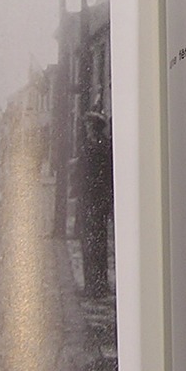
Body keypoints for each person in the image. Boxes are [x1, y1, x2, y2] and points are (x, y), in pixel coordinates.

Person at [75, 111, 114, 298]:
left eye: (88, 125)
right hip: (99, 203)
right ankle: (99, 284)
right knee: (98, 244)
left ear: (93, 127)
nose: (86, 128)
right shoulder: (105, 146)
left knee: (92, 245)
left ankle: (93, 287)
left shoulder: (93, 147)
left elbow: (88, 176)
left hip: (92, 202)